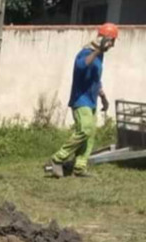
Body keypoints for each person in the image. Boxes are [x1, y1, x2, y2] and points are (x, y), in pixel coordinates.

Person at [44, 23, 118, 178]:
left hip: (91, 101)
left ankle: (79, 168)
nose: (113, 46)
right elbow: (81, 67)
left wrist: (103, 97)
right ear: (106, 39)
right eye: (112, 41)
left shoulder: (100, 56)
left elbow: (95, 79)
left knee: (90, 134)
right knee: (84, 130)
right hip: (80, 100)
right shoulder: (85, 52)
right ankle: (57, 159)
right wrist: (98, 50)